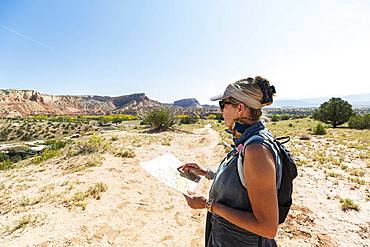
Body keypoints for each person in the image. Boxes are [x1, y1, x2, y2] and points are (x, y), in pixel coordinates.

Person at [178, 76, 280, 247]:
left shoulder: (256, 150)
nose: (221, 111)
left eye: (222, 105)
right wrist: (207, 172)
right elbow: (245, 180)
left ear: (239, 108)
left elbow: (268, 227)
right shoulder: (247, 139)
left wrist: (208, 205)